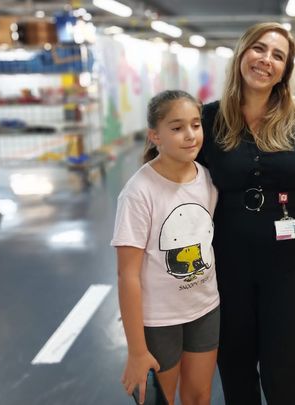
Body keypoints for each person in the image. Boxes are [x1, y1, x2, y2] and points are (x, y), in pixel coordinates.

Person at [197, 22, 295, 404]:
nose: (266, 60)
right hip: (228, 261)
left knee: (285, 364)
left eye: (278, 56)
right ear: (242, 53)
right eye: (259, 49)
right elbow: (175, 176)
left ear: (285, 71)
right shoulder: (208, 120)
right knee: (234, 361)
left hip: (291, 265)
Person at [112, 90, 220, 405]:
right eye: (176, 128)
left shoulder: (208, 180)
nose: (190, 135)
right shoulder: (139, 192)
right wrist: (136, 350)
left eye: (196, 125)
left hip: (205, 308)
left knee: (199, 395)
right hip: (158, 320)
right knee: (161, 400)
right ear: (154, 136)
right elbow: (127, 276)